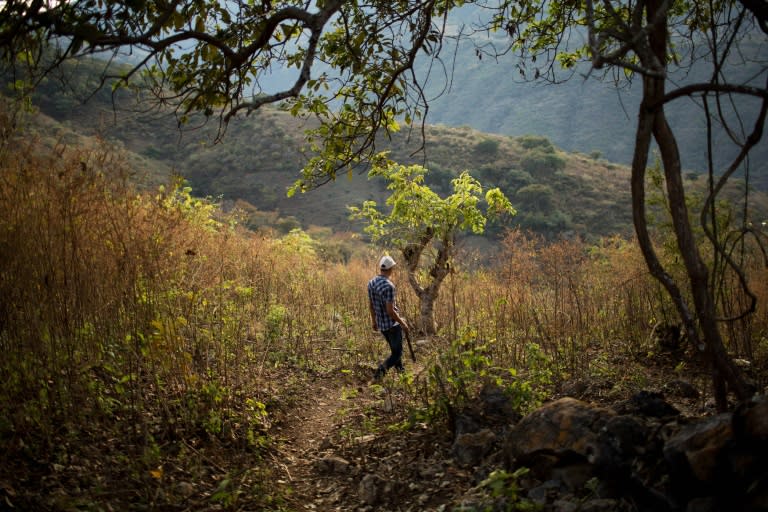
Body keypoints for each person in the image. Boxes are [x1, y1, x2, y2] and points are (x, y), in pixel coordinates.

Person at [368, 254, 410, 380]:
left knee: (394, 351)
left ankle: (402, 373)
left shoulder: (371, 283)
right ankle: (379, 373)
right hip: (392, 325)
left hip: (382, 325)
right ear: (391, 269)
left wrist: (374, 321)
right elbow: (390, 311)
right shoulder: (389, 286)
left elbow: (371, 305)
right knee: (397, 353)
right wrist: (402, 322)